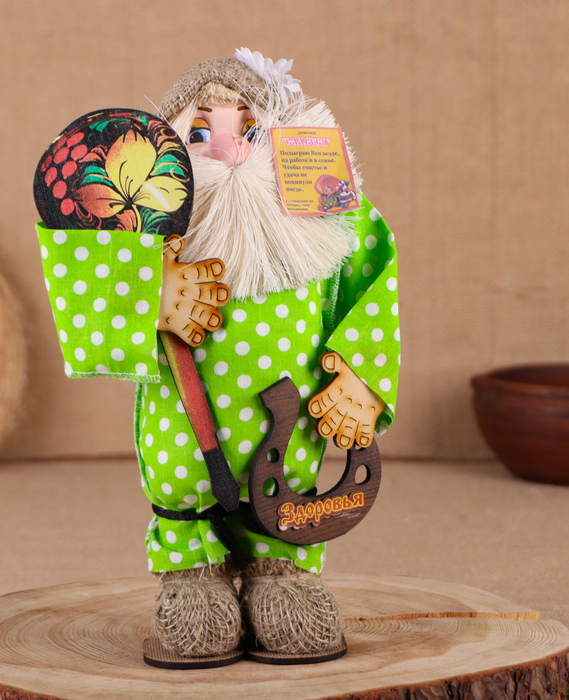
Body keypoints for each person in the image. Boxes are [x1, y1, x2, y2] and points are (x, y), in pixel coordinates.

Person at [38, 49, 400, 664]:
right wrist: (150, 292)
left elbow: (373, 279)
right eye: (199, 133)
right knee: (184, 480)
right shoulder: (146, 233)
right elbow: (87, 277)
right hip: (184, 421)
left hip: (291, 427)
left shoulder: (329, 220)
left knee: (287, 485)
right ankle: (193, 576)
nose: (226, 148)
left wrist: (360, 375)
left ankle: (281, 569)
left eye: (249, 129)